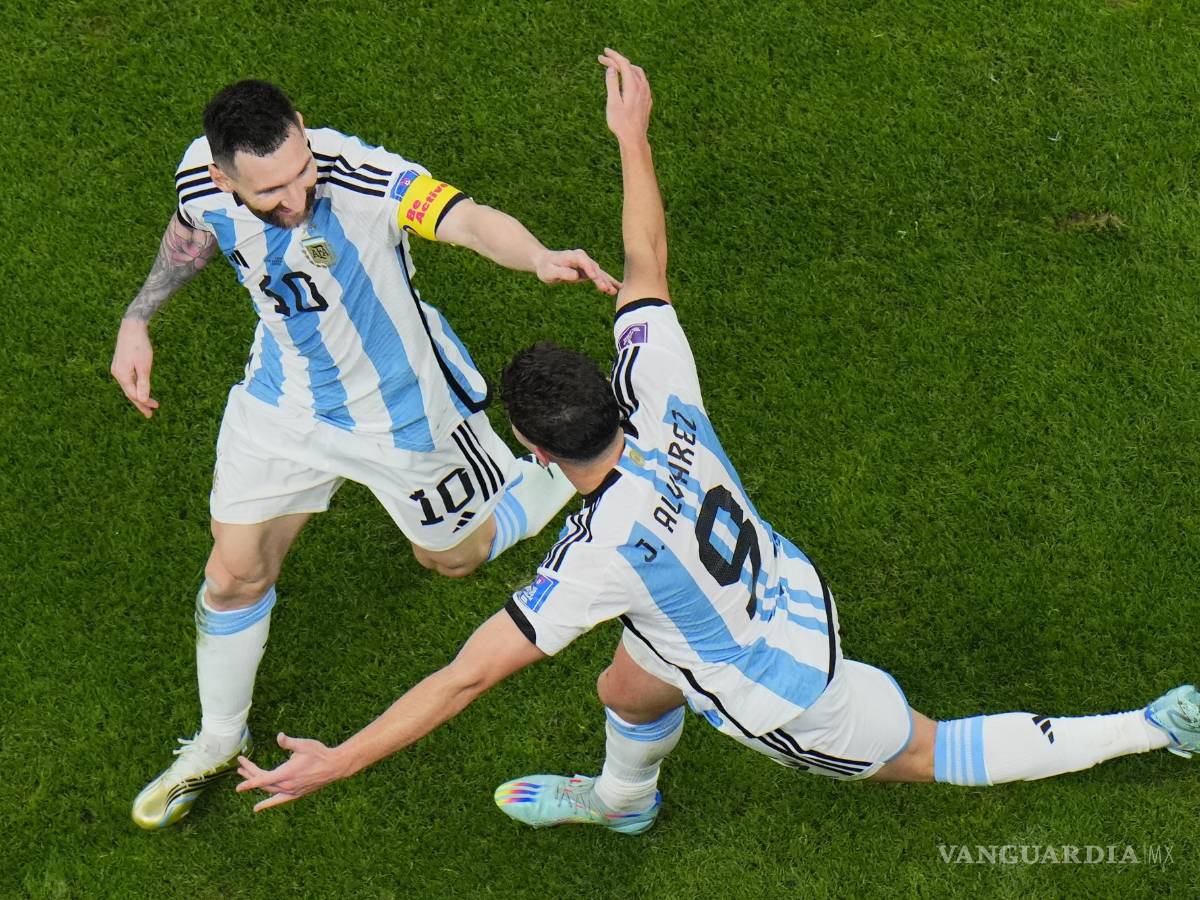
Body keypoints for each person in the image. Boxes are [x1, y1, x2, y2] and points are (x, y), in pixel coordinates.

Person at [235, 49, 1200, 830]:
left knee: (929, 752)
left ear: (531, 450)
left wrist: (340, 761)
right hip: (752, 587)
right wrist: (632, 136)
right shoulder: (658, 390)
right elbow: (645, 261)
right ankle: (622, 802)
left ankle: (1154, 727)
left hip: (786, 686)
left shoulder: (593, 559)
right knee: (630, 676)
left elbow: (463, 679)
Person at [115, 78, 621, 830]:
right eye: (271, 193)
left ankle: (539, 475)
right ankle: (219, 741)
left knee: (453, 559)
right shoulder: (202, 175)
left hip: (407, 412)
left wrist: (536, 254)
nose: (296, 198)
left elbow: (467, 220)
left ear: (304, 131)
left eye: (300, 171)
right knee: (232, 575)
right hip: (284, 398)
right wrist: (138, 318)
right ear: (224, 176)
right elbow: (192, 230)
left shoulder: (357, 178)